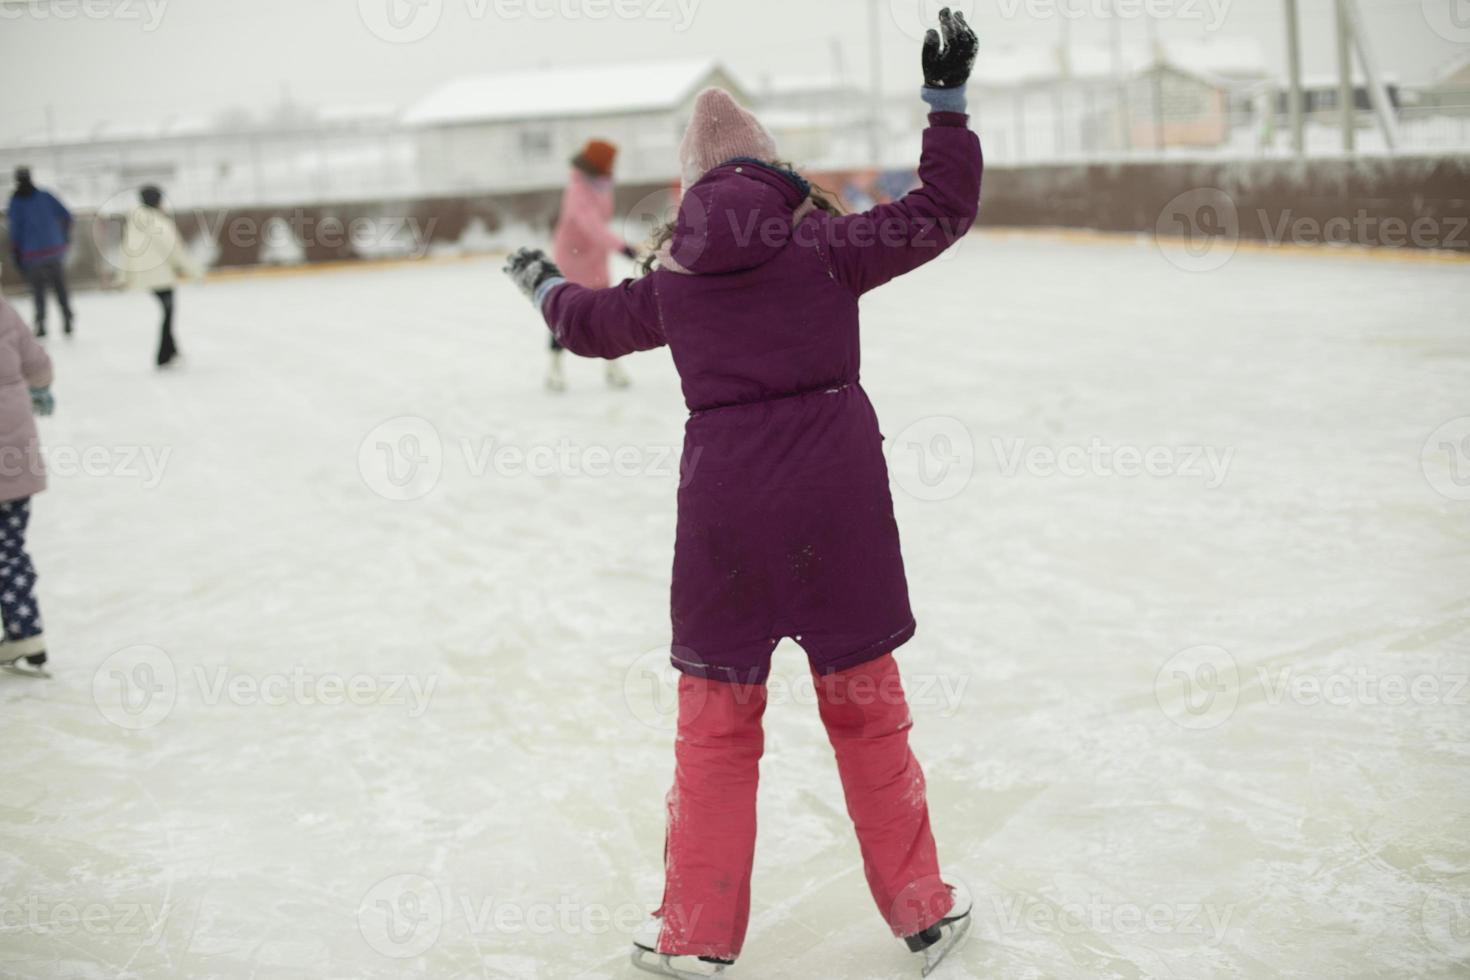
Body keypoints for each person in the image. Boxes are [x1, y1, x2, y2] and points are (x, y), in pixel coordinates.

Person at [503, 9, 980, 975]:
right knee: (865, 711)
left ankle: (696, 939)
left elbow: (590, 325)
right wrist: (944, 102)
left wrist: (545, 288)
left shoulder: (674, 281)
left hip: (725, 521)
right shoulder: (829, 249)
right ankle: (924, 915)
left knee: (717, 732)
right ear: (777, 173)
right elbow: (940, 211)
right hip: (837, 512)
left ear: (687, 187)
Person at [546, 137, 637, 392]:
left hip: (595, 255)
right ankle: (554, 368)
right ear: (598, 162)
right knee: (567, 311)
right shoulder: (578, 189)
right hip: (573, 257)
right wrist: (621, 246)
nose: (614, 165)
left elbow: (600, 225)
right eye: (610, 160)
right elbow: (591, 226)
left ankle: (612, 366)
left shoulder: (601, 185)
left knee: (604, 311)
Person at [0, 286, 55, 672]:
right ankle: (26, 632)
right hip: (14, 463)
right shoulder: (3, 311)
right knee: (10, 551)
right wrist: (41, 389)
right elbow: (37, 364)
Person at [122, 185, 201, 369]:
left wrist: (125, 275)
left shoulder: (134, 221)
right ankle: (164, 356)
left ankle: (171, 351)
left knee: (167, 312)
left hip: (146, 275)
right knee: (168, 313)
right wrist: (194, 271)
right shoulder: (157, 222)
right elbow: (174, 249)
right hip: (160, 275)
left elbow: (126, 249)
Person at [6, 167, 74, 339]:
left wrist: (16, 252)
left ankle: (42, 324)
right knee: (60, 288)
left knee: (38, 291)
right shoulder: (45, 195)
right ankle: (67, 319)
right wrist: (63, 238)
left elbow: (15, 230)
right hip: (54, 250)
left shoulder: (16, 201)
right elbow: (67, 216)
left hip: (32, 254)